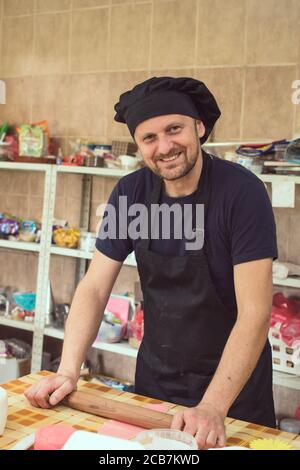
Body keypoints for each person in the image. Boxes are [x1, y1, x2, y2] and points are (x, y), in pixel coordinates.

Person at [25, 77, 277, 449]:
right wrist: (68, 370)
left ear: (199, 127)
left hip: (232, 397)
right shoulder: (131, 193)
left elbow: (255, 312)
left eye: (174, 129)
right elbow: (94, 288)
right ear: (140, 146)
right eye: (150, 138)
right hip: (156, 386)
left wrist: (212, 406)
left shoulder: (242, 194)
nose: (165, 146)